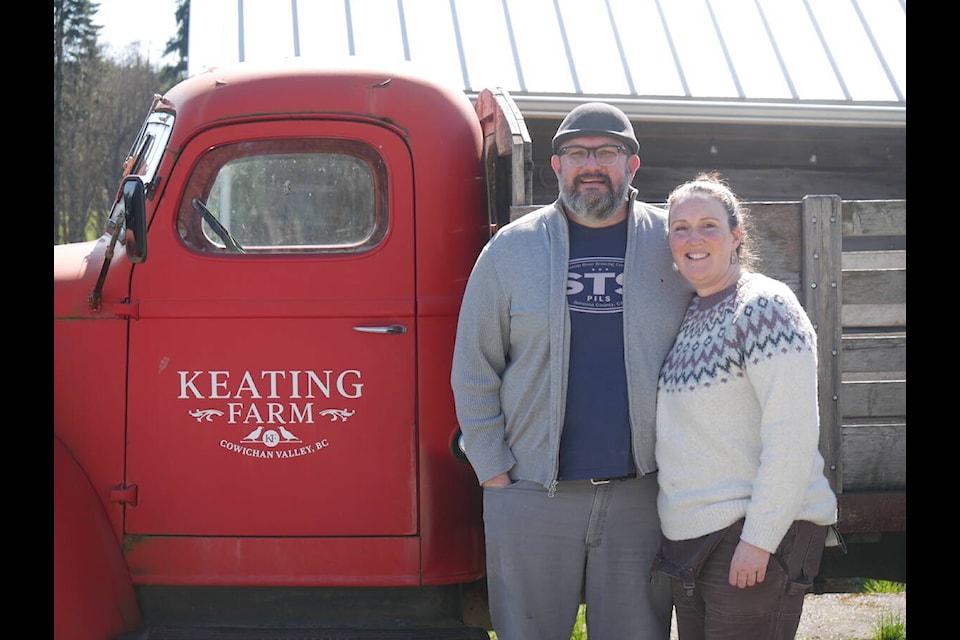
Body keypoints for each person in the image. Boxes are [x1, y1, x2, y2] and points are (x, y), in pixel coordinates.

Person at [451, 102, 693, 640]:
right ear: (555, 166)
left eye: (607, 152)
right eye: (576, 153)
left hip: (643, 494)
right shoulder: (510, 250)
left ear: (632, 165)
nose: (592, 164)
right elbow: (474, 367)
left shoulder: (673, 244)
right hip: (532, 492)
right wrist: (496, 472)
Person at [653, 172, 840, 639]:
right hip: (694, 541)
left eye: (708, 225)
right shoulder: (692, 314)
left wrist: (759, 539)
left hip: (751, 535)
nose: (693, 238)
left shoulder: (765, 308)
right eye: (680, 228)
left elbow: (792, 435)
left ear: (736, 235)